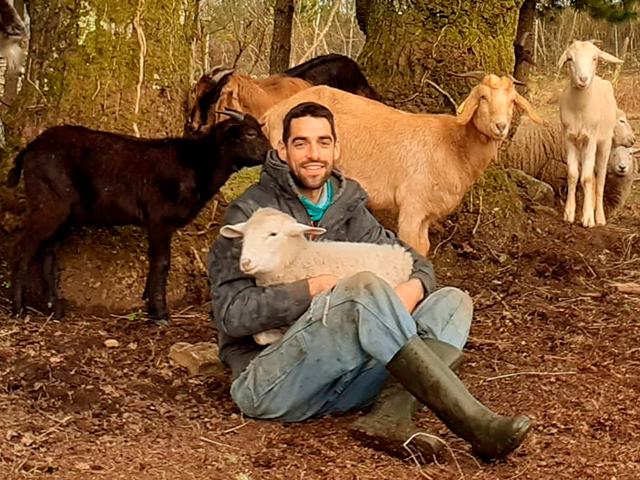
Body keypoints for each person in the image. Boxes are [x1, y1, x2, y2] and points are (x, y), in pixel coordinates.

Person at [207, 102, 531, 460]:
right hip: (274, 382)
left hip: (346, 380)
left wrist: (412, 288)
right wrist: (311, 289)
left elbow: (416, 263)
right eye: (300, 143)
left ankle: (390, 415)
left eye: (323, 142)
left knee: (452, 303)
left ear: (337, 149)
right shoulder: (250, 213)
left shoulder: (348, 207)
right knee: (362, 289)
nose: (313, 154)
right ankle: (475, 423)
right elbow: (230, 315)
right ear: (281, 149)